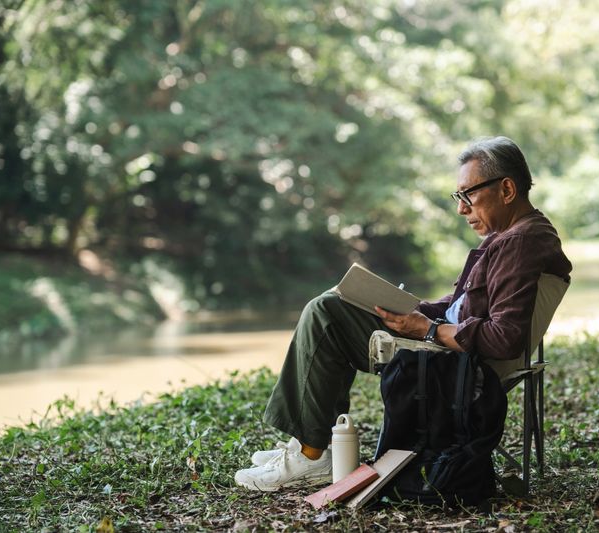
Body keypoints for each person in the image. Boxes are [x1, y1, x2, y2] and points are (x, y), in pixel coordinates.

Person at [234, 136, 572, 491]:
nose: (461, 209)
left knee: (326, 314)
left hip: (450, 359)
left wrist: (427, 329)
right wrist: (410, 307)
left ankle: (311, 453)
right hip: (443, 341)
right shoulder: (517, 234)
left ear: (506, 189)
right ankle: (311, 444)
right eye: (458, 196)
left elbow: (505, 338)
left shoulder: (519, 241)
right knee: (337, 302)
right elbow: (463, 303)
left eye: (468, 194)